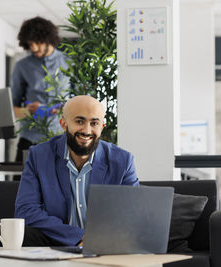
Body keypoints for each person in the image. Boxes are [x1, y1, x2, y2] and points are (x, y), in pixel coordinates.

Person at [15, 95, 139, 246]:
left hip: (104, 244)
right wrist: (78, 237)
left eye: (94, 123)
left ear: (102, 127)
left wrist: (98, 239)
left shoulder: (123, 161)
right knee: (26, 234)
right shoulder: (39, 156)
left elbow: (132, 214)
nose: (87, 130)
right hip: (56, 242)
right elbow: (26, 210)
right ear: (63, 124)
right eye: (79, 121)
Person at [11, 16, 69, 163]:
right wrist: (28, 111)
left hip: (60, 139)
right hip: (29, 140)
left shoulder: (69, 64)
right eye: (31, 44)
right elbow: (12, 108)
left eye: (38, 42)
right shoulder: (22, 66)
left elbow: (82, 102)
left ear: (49, 39)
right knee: (18, 185)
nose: (34, 48)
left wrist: (65, 110)